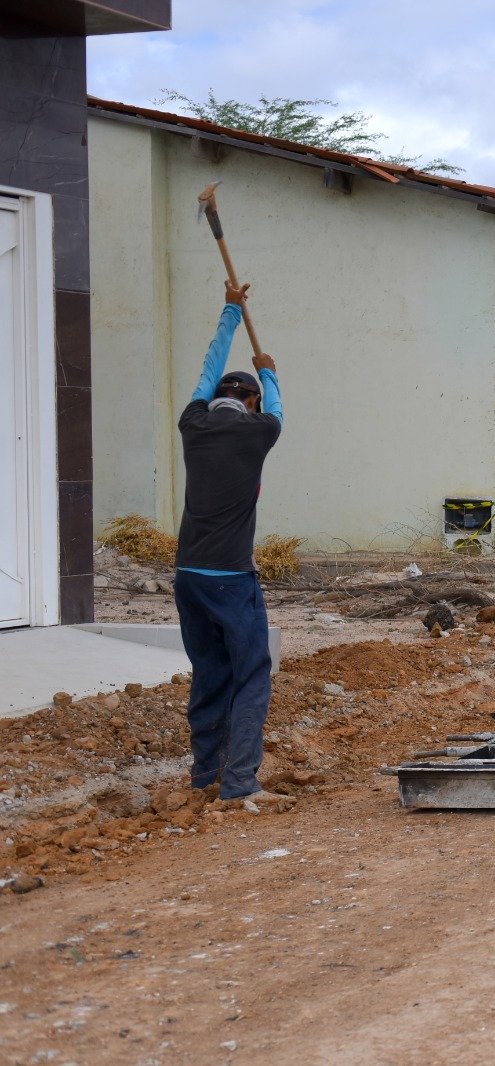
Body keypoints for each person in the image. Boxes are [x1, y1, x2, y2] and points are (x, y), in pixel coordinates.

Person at [174, 279, 285, 807]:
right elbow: (279, 410)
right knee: (252, 673)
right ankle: (239, 782)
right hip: (232, 578)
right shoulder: (260, 431)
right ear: (252, 402)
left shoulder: (192, 425)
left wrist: (229, 314)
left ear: (217, 399)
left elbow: (203, 373)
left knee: (211, 671)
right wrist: (269, 369)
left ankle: (203, 775)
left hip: (187, 575)